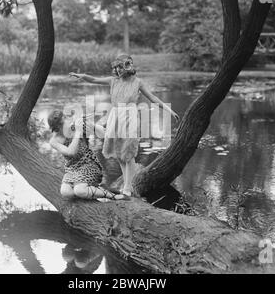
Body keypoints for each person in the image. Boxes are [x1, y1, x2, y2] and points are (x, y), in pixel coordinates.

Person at [69, 54, 179, 196]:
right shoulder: (113, 81)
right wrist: (82, 75)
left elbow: (153, 98)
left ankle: (128, 187)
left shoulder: (137, 82)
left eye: (121, 67)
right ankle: (126, 185)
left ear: (128, 66)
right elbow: (94, 79)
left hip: (130, 117)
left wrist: (169, 110)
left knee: (129, 152)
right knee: (118, 152)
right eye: (116, 68)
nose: (118, 71)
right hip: (115, 116)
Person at [48, 109, 127, 201]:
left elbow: (105, 135)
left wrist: (90, 124)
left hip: (89, 165)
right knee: (66, 192)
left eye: (65, 119)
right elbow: (70, 152)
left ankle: (113, 196)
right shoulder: (54, 141)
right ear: (56, 127)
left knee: (79, 190)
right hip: (72, 169)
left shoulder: (77, 126)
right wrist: (78, 132)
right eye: (62, 123)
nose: (67, 121)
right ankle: (93, 189)